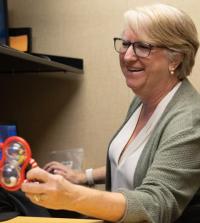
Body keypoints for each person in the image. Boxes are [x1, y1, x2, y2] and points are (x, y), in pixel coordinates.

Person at [21, 3, 200, 223]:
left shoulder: (190, 121)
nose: (127, 56)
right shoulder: (143, 100)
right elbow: (141, 164)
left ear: (176, 58)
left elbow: (157, 204)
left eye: (143, 46)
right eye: (125, 44)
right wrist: (82, 177)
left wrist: (70, 196)